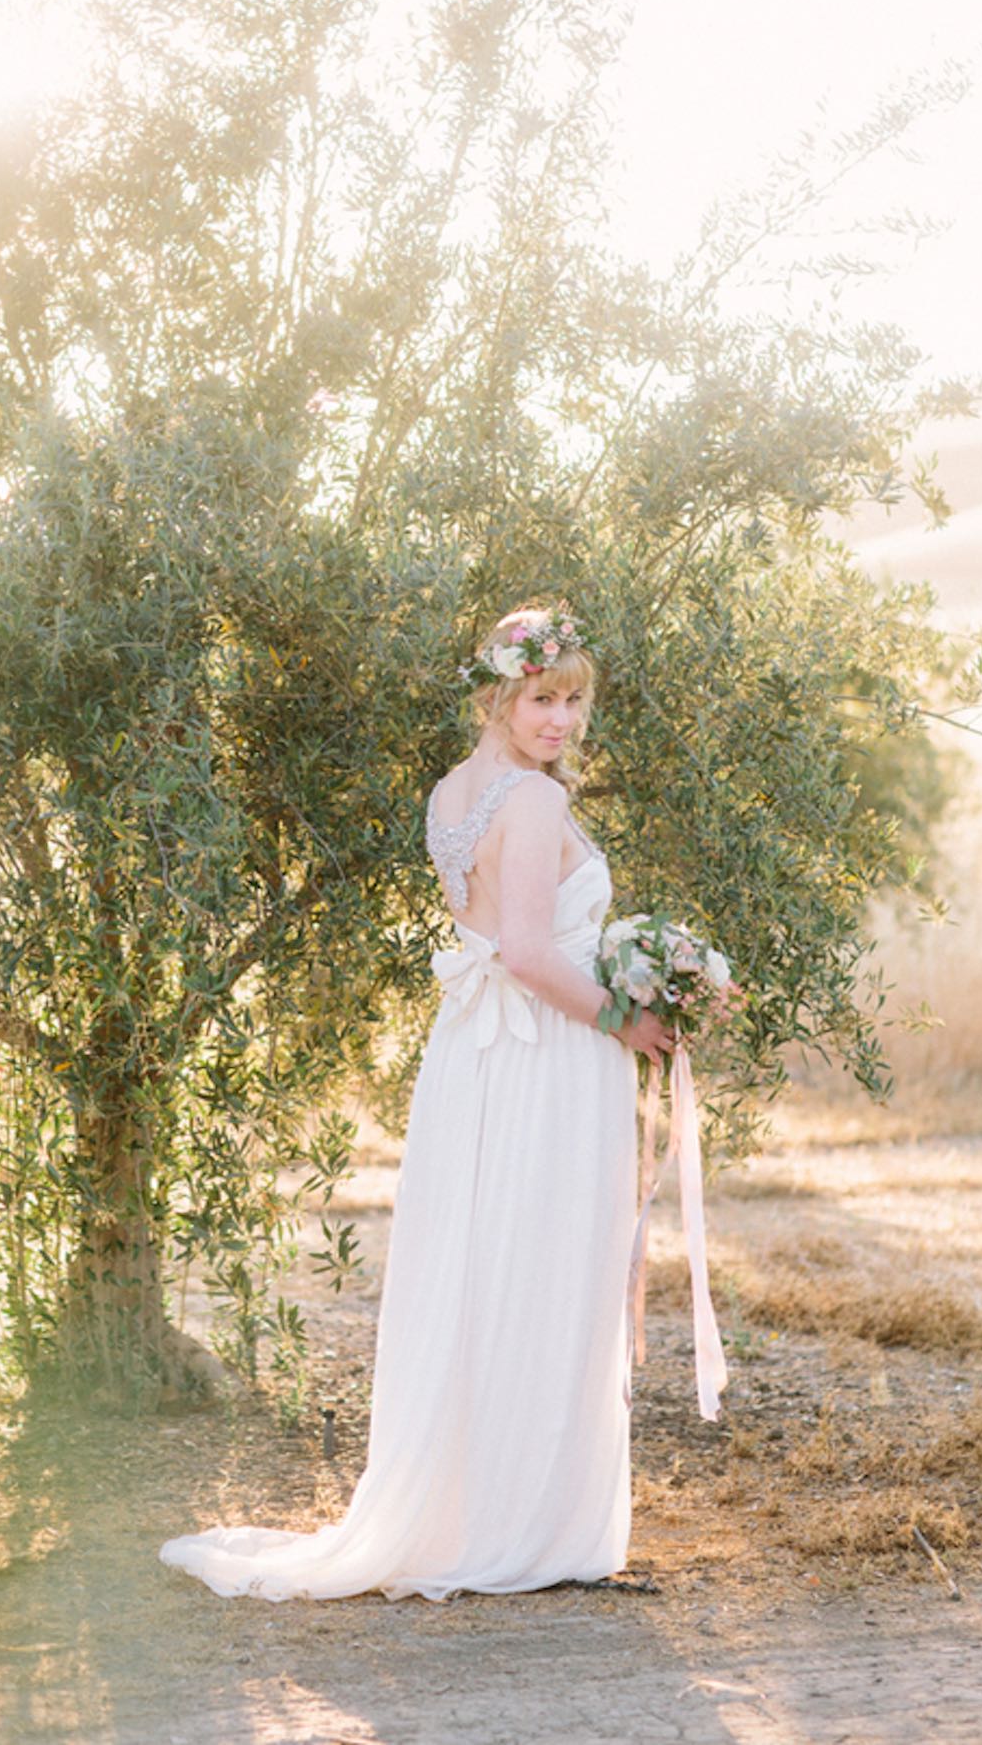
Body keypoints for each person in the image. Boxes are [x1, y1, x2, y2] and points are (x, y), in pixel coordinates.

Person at [159, 605, 673, 1602]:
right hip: (542, 1057)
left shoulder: (453, 792)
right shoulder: (525, 802)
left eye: (573, 702)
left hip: (475, 1059)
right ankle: (521, 1523)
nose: (561, 720)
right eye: (542, 699)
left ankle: (475, 1504)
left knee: (488, 1266)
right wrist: (628, 1018)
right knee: (538, 1258)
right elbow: (525, 953)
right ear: (499, 693)